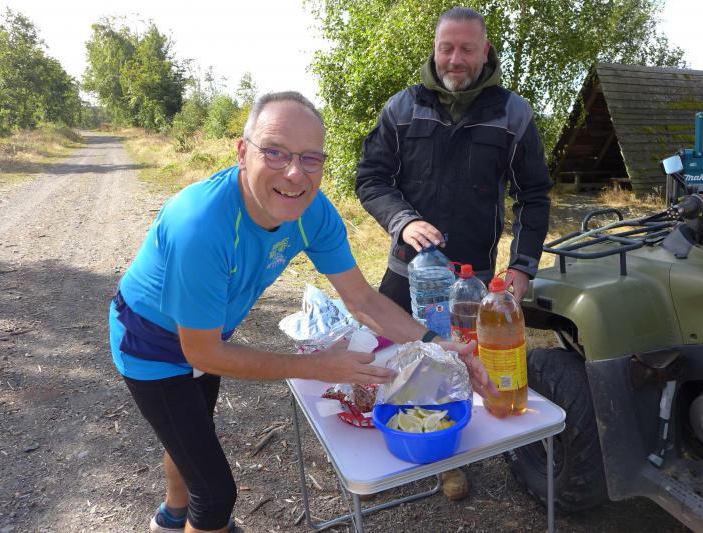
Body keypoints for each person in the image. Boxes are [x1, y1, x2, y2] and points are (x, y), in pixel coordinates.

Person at [109, 91, 496, 533]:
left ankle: (171, 517)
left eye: (311, 158)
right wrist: (315, 367)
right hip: (150, 344)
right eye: (275, 152)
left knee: (191, 435)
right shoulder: (199, 226)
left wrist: (439, 345)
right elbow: (202, 353)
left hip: (207, 334)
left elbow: (362, 300)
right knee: (214, 493)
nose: (295, 174)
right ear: (242, 152)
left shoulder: (313, 212)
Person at [356, 7, 552, 309]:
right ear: (435, 48)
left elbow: (534, 194)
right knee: (390, 341)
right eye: (446, 48)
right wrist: (403, 221)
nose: (455, 60)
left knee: (469, 343)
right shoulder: (402, 108)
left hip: (474, 280)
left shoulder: (514, 113)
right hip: (407, 274)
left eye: (467, 49)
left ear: (484, 51)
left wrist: (523, 264)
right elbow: (371, 178)